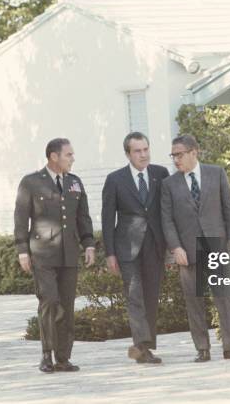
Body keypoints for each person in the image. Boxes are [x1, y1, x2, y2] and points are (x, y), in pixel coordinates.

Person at [160, 134, 230, 363]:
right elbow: (166, 220)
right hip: (187, 251)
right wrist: (175, 247)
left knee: (225, 298)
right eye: (173, 155)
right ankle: (202, 349)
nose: (176, 160)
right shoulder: (169, 184)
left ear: (193, 152)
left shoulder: (216, 173)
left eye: (179, 154)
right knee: (193, 301)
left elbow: (228, 208)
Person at [14, 138, 95, 373]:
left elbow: (83, 217)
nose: (72, 159)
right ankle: (46, 355)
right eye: (68, 155)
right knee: (49, 302)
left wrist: (89, 244)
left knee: (67, 305)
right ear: (53, 157)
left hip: (69, 254)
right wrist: (22, 251)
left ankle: (63, 357)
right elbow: (21, 219)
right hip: (43, 255)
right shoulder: (31, 183)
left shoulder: (75, 182)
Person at [101, 132, 169, 364]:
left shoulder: (161, 174)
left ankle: (143, 347)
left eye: (146, 149)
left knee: (151, 297)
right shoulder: (115, 180)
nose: (143, 154)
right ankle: (143, 346)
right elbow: (108, 219)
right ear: (128, 154)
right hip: (127, 248)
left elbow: (167, 212)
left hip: (155, 245)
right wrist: (110, 253)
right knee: (135, 296)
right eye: (138, 151)